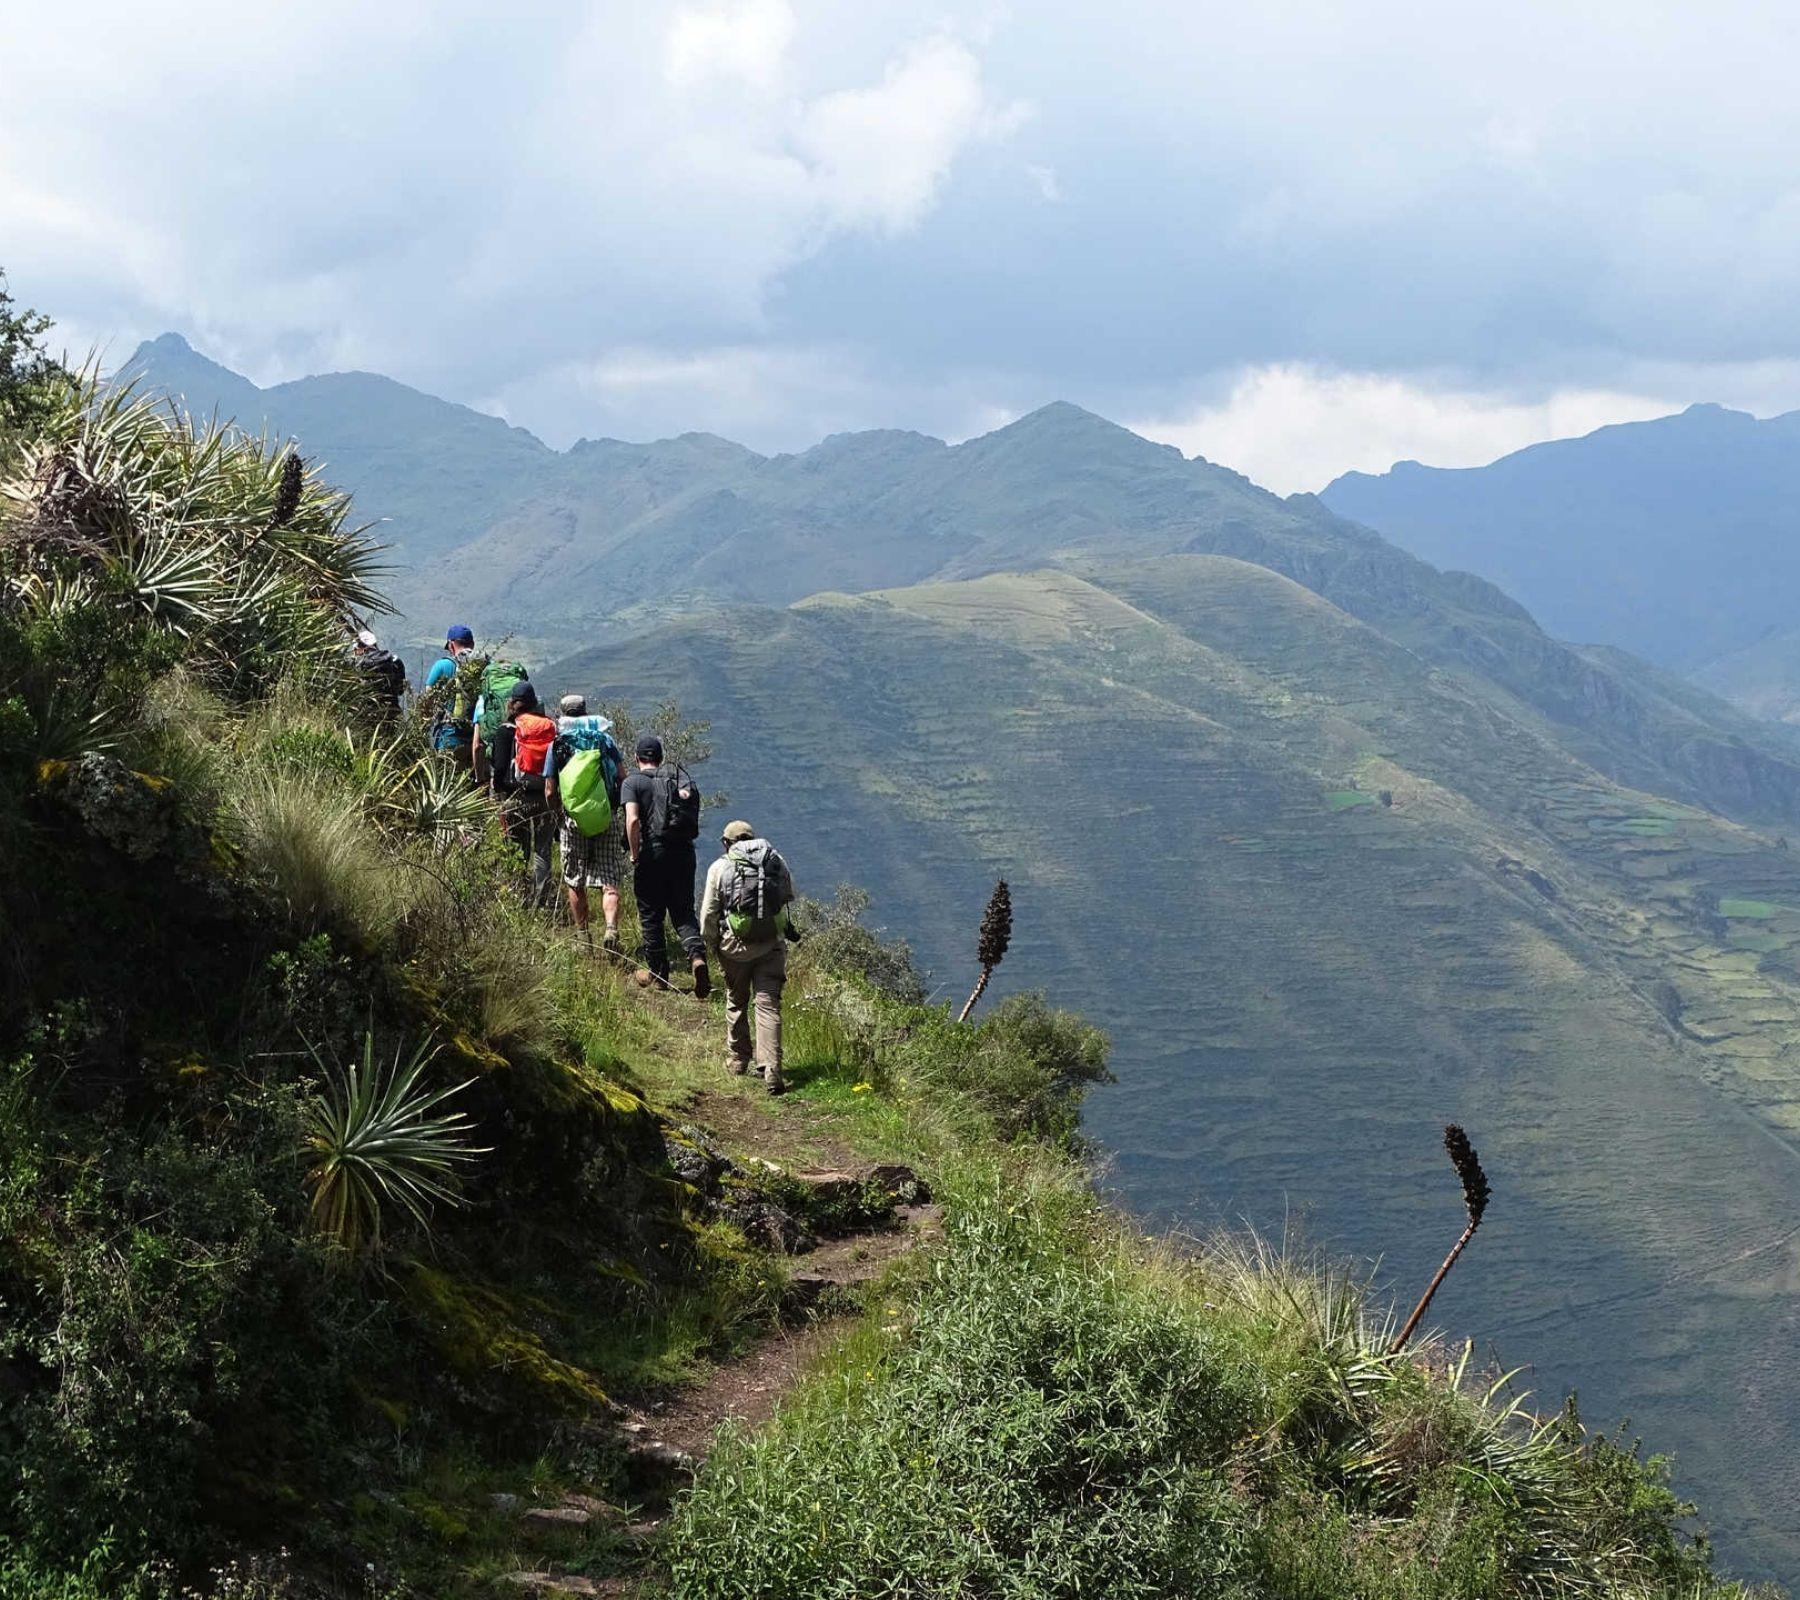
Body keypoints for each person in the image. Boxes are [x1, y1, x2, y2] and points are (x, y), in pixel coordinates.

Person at [701, 820, 796, 1093]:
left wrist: (711, 943)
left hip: (734, 947)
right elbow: (788, 894)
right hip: (770, 946)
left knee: (736, 999)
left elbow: (709, 912)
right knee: (768, 1005)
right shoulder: (774, 859)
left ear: (726, 843)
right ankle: (772, 1069)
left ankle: (739, 1059)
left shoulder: (720, 867)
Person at [621, 734, 710, 997]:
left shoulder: (633, 782)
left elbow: (633, 821)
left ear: (637, 759)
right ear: (659, 758)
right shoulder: (677, 782)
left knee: (651, 915)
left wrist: (635, 853)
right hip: (684, 853)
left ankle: (658, 974)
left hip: (653, 853)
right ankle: (696, 957)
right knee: (683, 911)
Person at [544, 693, 626, 953]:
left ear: (563, 714)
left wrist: (559, 817)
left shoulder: (556, 744)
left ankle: (583, 938)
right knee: (609, 879)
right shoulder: (604, 739)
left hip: (572, 820)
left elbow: (549, 790)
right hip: (605, 817)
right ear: (586, 711)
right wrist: (614, 808)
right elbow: (623, 777)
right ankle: (611, 928)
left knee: (575, 880)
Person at [492, 679, 557, 908]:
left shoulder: (506, 730)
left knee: (518, 848)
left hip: (515, 797)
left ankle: (518, 898)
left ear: (512, 703)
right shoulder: (548, 728)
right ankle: (541, 902)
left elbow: (499, 768)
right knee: (543, 850)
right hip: (545, 796)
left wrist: (498, 793)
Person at [423, 625, 476, 762]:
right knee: (477, 781)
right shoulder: (484, 665)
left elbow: (428, 697)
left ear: (451, 645)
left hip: (449, 736)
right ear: (473, 644)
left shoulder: (442, 665)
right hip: (478, 741)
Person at [351, 628, 406, 720]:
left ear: (360, 649)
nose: (355, 653)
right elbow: (401, 690)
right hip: (392, 711)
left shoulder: (358, 665)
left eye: (355, 650)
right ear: (375, 644)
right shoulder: (395, 661)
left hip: (366, 713)